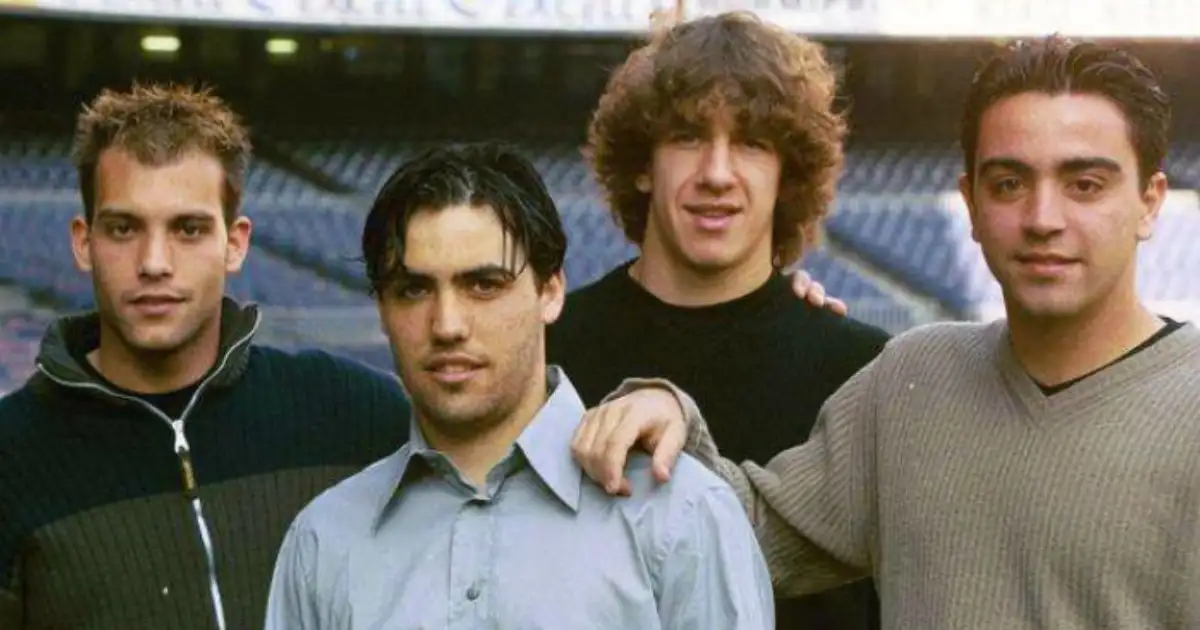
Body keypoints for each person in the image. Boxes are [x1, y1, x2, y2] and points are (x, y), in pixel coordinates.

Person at [572, 34, 1200, 629]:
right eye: (1009, 184)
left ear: (1150, 201)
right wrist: (668, 409)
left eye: (1085, 185)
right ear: (972, 204)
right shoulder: (912, 377)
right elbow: (744, 529)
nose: (1042, 218)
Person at [263, 142, 775, 629]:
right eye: (413, 290)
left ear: (550, 292)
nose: (447, 325)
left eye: (483, 285)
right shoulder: (323, 543)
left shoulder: (680, 513)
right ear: (382, 309)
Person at [0, 83, 417, 630]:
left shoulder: (352, 412)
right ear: (84, 242)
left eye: (189, 229)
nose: (154, 262)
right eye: (123, 228)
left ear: (235, 243)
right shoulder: (11, 454)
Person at [548, 12, 889, 630]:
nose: (716, 173)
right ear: (642, 164)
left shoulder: (862, 371)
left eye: (752, 143)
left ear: (787, 175)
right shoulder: (549, 355)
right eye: (687, 137)